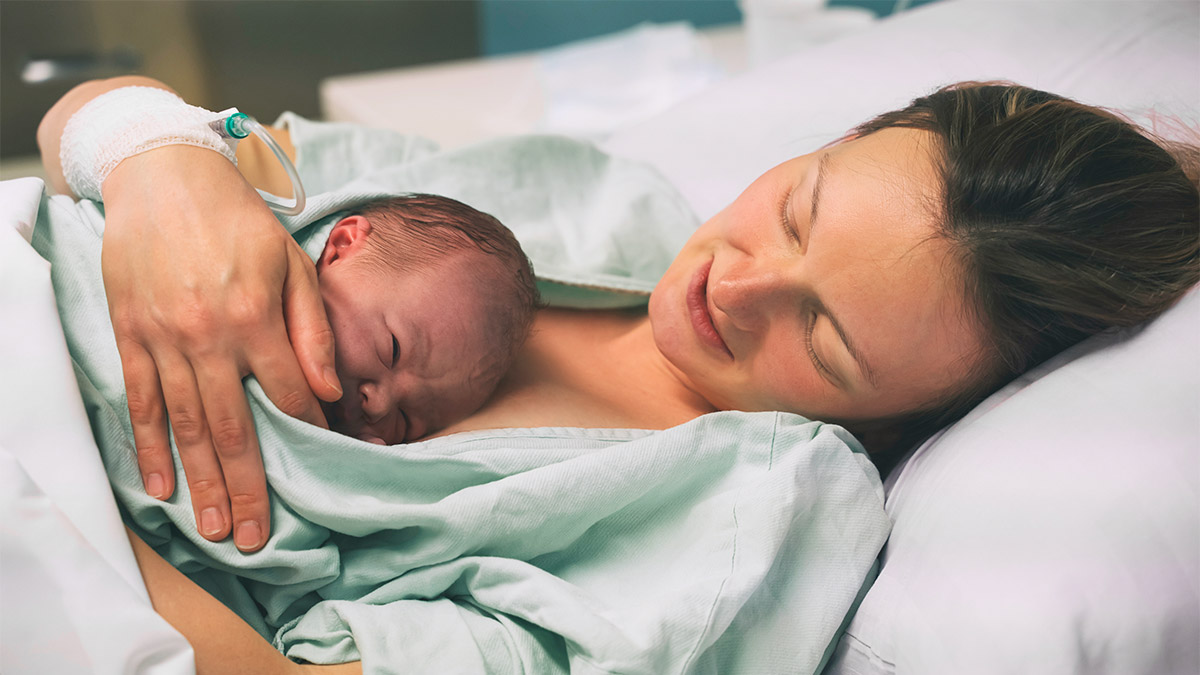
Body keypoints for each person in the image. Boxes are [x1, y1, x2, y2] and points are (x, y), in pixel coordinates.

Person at [37, 76, 1199, 673]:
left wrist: (64, 508)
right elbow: (81, 124)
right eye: (797, 211)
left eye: (826, 337)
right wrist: (160, 168)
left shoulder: (744, 518)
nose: (736, 287)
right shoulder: (591, 198)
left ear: (915, 409)